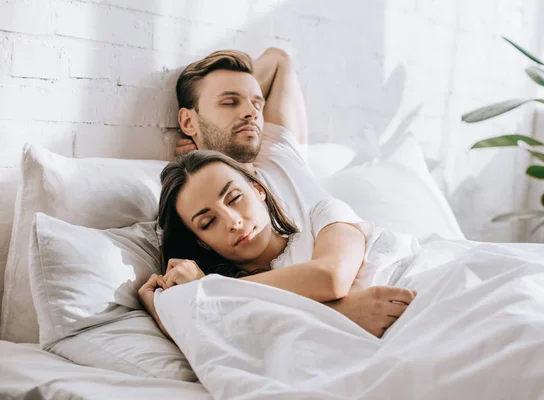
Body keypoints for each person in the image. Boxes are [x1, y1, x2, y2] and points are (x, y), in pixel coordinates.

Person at [142, 47, 417, 338]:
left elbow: (278, 59)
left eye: (256, 103)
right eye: (229, 102)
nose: (249, 112)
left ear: (257, 190)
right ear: (187, 122)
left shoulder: (278, 151)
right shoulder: (188, 199)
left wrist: (211, 289)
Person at [139, 150, 418, 339]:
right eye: (208, 222)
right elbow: (202, 341)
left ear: (258, 190)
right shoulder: (232, 306)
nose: (233, 221)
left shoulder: (322, 217)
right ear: (202, 243)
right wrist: (163, 307)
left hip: (429, 287)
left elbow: (330, 277)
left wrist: (210, 289)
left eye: (235, 198)